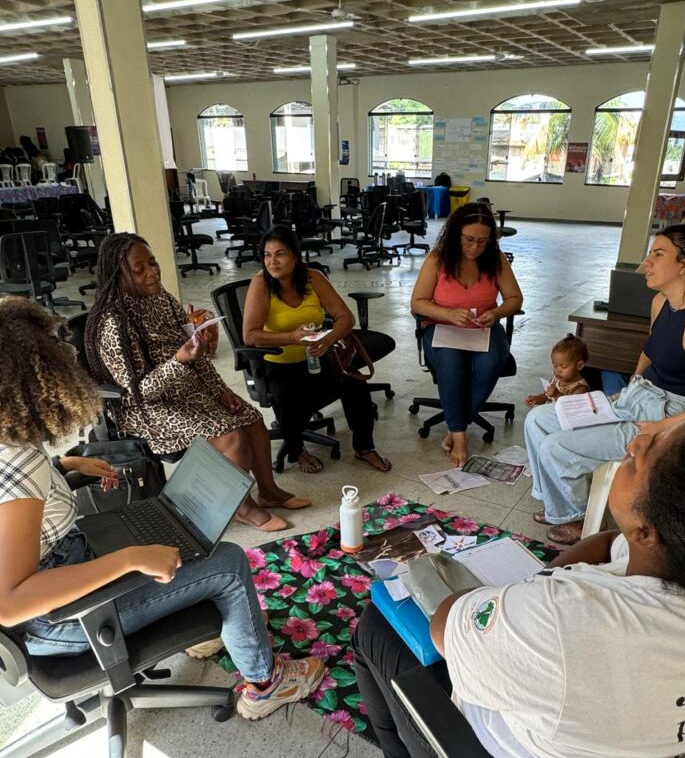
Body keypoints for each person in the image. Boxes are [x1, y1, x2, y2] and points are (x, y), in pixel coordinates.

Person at [353, 417, 685, 758]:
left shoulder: (566, 621)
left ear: (647, 532)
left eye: (643, 456)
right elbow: (609, 544)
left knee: (376, 626)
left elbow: (445, 624)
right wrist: (543, 586)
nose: (634, 443)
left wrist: (533, 596)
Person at [0, 297, 324, 720]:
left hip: (67, 567)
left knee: (172, 530)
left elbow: (15, 505)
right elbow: (10, 601)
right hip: (63, 619)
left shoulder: (11, 440)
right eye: (55, 351)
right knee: (228, 563)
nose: (68, 356)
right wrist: (129, 559)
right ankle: (267, 684)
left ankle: (197, 619)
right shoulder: (18, 461)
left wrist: (64, 465)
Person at [525, 224, 685, 545]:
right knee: (537, 419)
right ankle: (555, 502)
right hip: (638, 397)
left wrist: (660, 428)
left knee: (556, 447)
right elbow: (650, 350)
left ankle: (577, 517)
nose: (646, 263)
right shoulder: (661, 302)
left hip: (667, 413)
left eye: (658, 254)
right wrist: (632, 385)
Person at [85, 232, 309, 533]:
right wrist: (179, 361)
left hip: (184, 389)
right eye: (139, 269)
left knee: (252, 419)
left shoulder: (161, 298)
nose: (152, 273)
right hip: (145, 409)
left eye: (153, 263)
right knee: (231, 437)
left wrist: (220, 390)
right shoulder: (113, 323)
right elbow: (139, 393)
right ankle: (243, 508)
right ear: (118, 274)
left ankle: (268, 492)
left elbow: (195, 352)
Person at [242, 225, 391, 475]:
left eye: (280, 254)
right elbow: (250, 336)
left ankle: (364, 447)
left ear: (294, 255)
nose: (272, 262)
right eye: (267, 255)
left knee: (354, 384)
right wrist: (291, 337)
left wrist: (329, 338)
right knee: (288, 396)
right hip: (278, 362)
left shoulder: (313, 278)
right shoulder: (261, 284)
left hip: (316, 356)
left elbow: (345, 317)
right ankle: (297, 450)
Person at [410, 204, 524, 468]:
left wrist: (496, 313)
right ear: (456, 234)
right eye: (469, 239)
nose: (475, 247)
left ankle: (455, 425)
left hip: (483, 327)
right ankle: (460, 436)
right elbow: (417, 302)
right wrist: (447, 314)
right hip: (442, 327)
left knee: (492, 361)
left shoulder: (495, 260)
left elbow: (514, 298)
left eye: (483, 241)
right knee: (451, 364)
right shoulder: (438, 259)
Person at [525, 334, 589, 407]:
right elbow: (546, 397)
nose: (558, 370)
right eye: (555, 366)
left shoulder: (581, 389)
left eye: (563, 366)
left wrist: (557, 395)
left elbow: (570, 408)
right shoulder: (555, 379)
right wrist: (537, 399)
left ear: (579, 365)